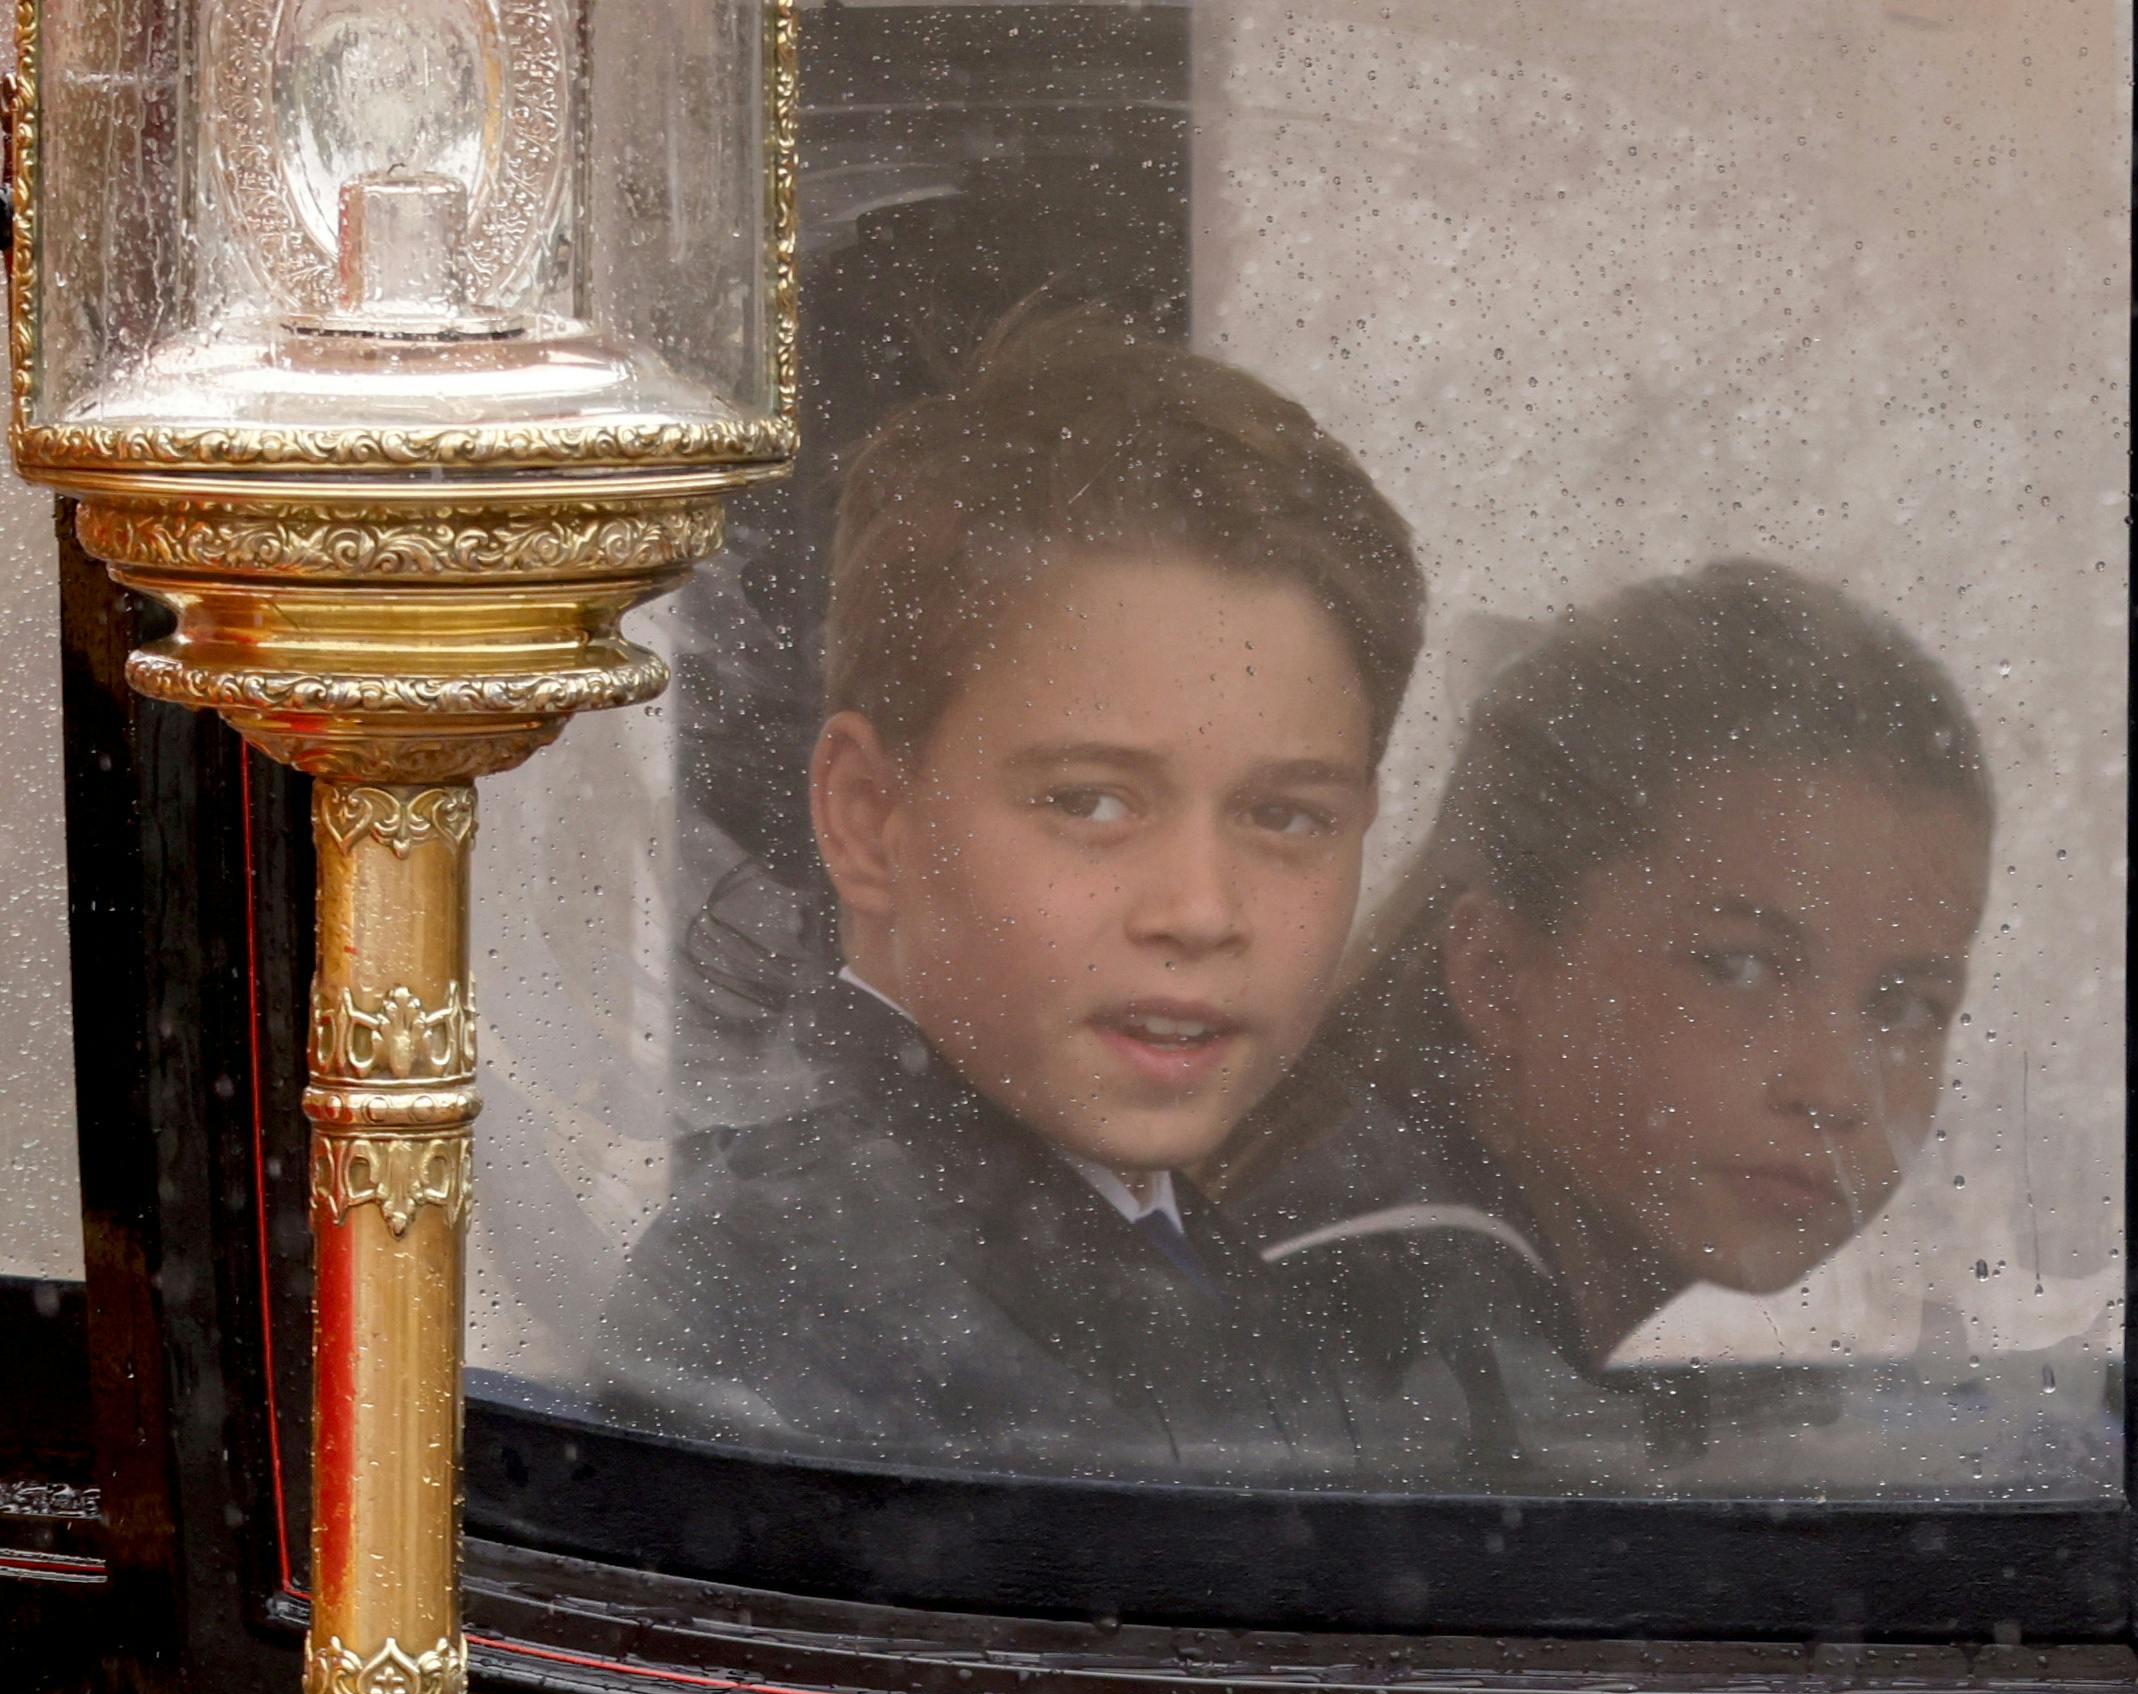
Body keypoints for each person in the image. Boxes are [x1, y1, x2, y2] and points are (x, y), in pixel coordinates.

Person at [582, 307, 1432, 1477]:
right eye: (1090, 802)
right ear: (869, 817)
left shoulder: (1145, 1250)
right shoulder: (805, 1315)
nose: (1200, 909)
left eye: (1285, 816)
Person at [1218, 561, 1993, 1484]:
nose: (1834, 1089)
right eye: (1736, 965)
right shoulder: (1392, 1319)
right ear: (1499, 978)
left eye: (1904, 1005)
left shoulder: (1416, 1256)